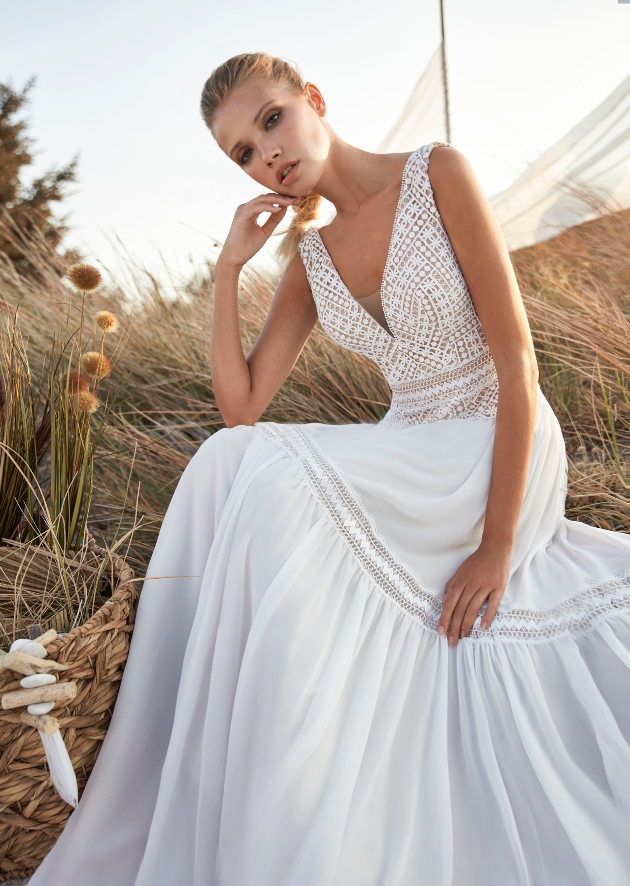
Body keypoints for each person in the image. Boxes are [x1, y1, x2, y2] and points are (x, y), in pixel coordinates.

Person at [32, 52, 630, 886]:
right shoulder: (310, 260)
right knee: (228, 460)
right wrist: (228, 270)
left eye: (270, 120)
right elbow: (241, 408)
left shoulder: (436, 174)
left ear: (313, 99)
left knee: (270, 478)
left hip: (499, 439)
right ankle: (239, 763)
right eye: (241, 152)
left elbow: (518, 360)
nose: (265, 154)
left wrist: (496, 547)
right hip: (413, 445)